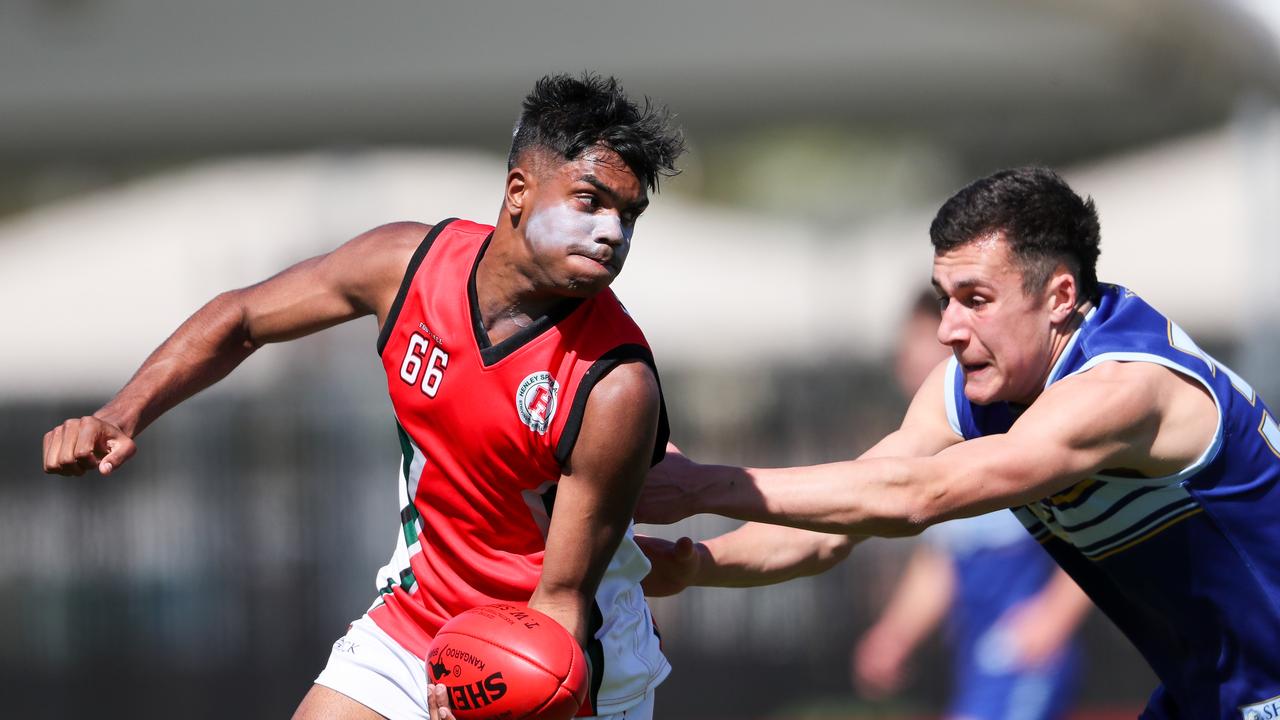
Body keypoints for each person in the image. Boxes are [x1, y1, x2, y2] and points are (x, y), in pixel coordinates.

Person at [42, 72, 685, 720]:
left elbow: (562, 600)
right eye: (590, 201)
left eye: (628, 215)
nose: (612, 234)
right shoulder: (407, 266)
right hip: (416, 622)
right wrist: (120, 415)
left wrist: (498, 697)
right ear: (518, 191)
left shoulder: (615, 384)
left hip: (551, 663)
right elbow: (240, 320)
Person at [637, 167, 1280, 720]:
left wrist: (699, 485)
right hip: (1213, 691)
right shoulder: (973, 392)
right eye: (946, 300)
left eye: (976, 300)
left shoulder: (1123, 389)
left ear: (1058, 295)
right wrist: (696, 565)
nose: (948, 329)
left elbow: (919, 495)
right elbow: (834, 527)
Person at [852, 291, 1087, 720]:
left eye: (922, 343)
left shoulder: (1014, 430)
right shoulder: (937, 449)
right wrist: (895, 634)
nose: (907, 361)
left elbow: (1098, 527)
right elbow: (945, 560)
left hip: (1023, 654)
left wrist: (1056, 614)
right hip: (978, 656)